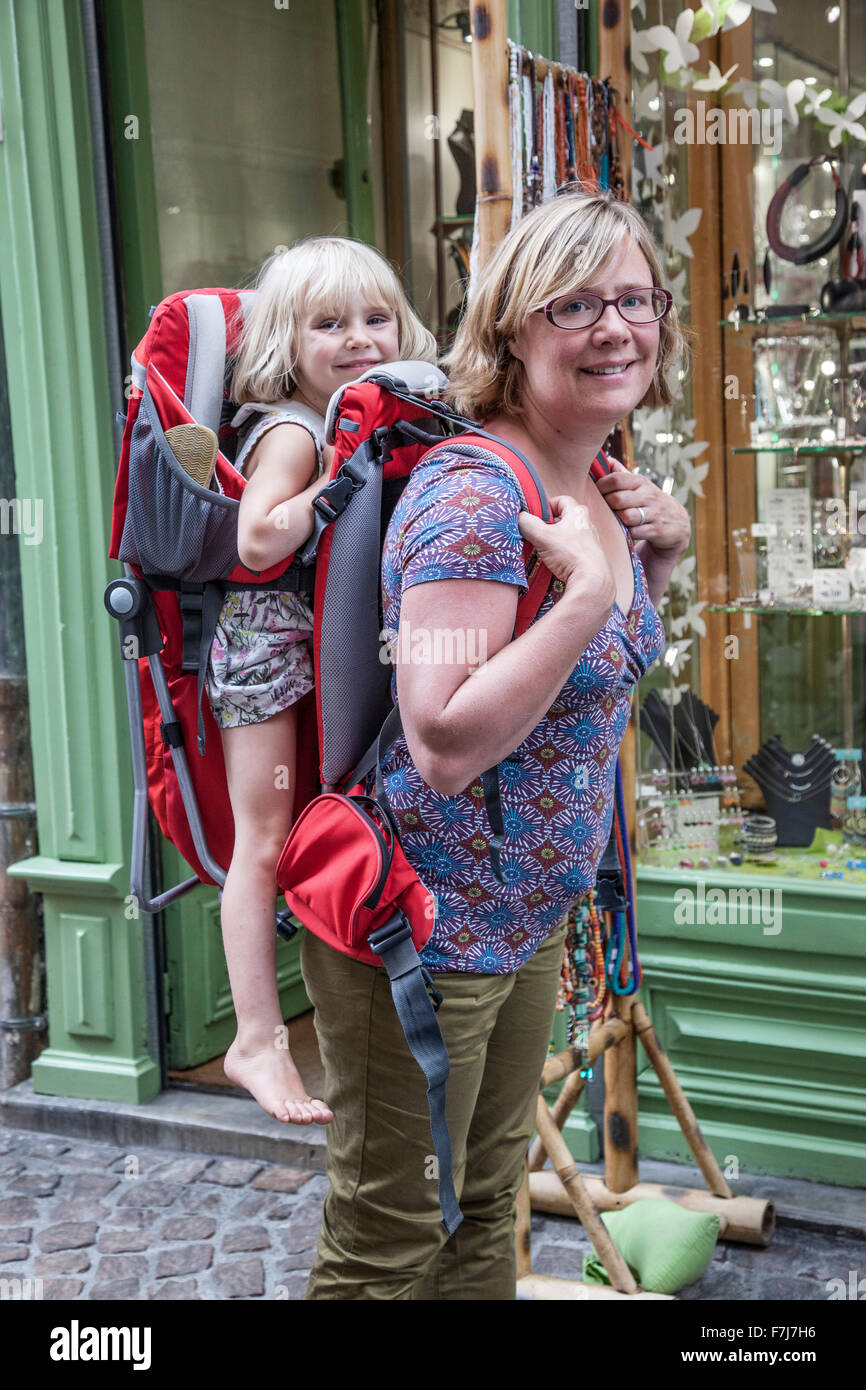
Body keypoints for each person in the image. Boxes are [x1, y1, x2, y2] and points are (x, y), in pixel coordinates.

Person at [299, 190, 694, 1299]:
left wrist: (640, 572)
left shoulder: (597, 480)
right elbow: (442, 742)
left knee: (483, 1217)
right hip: (420, 928)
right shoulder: (475, 495)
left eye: (633, 299)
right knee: (387, 1244)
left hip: (519, 917)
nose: (614, 327)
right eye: (575, 303)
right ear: (513, 329)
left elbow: (581, 694)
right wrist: (581, 597)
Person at [205, 237, 437, 1126]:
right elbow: (260, 540)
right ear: (284, 343)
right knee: (261, 843)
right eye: (329, 324)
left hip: (323, 654)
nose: (359, 339)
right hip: (267, 647)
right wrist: (341, 478)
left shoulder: (351, 418)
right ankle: (255, 1040)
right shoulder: (297, 431)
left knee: (314, 828)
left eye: (376, 319)